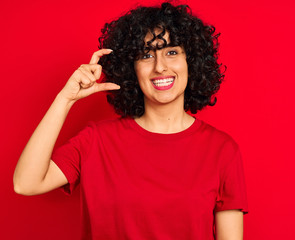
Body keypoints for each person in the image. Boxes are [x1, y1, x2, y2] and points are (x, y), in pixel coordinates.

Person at [13, 2, 248, 239]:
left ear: (192, 61)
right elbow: (26, 183)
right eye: (146, 55)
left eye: (172, 52)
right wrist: (65, 99)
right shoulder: (95, 141)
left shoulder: (222, 151)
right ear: (131, 68)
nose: (160, 67)